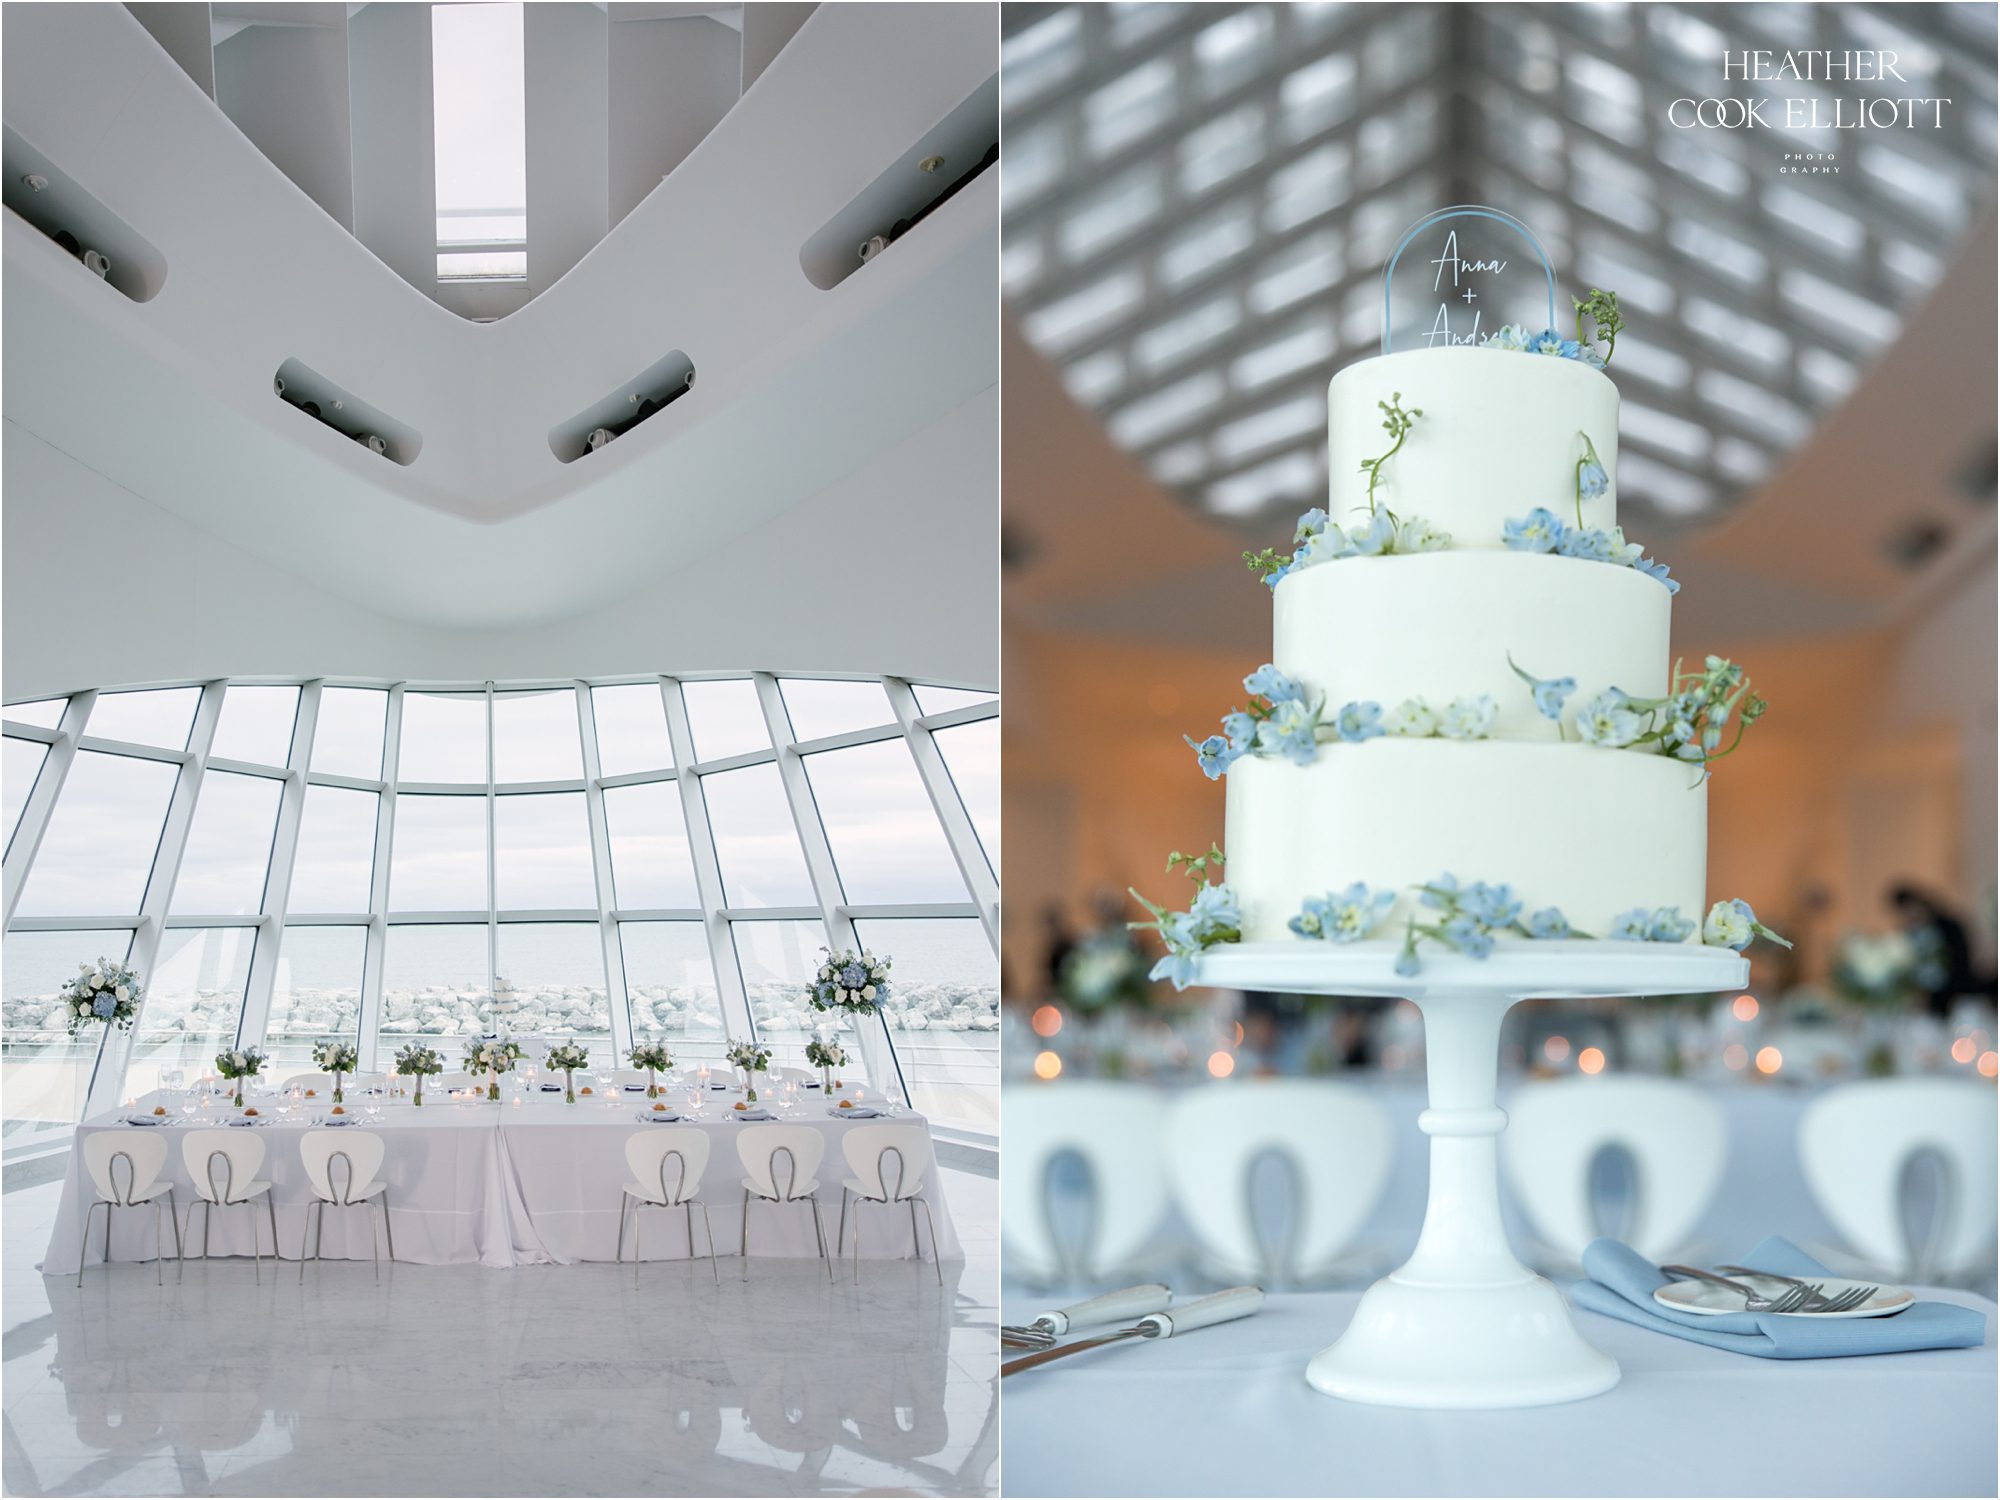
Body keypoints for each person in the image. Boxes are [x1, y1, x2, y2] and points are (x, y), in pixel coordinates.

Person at [1889, 883, 1976, 1018]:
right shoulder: (1908, 935)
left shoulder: (1949, 928)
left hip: (1955, 994)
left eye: (1911, 908)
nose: (1909, 915)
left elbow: (1961, 963)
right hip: (1924, 1001)